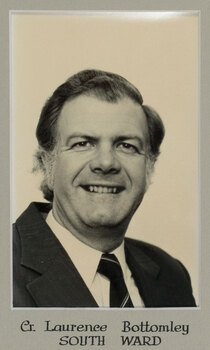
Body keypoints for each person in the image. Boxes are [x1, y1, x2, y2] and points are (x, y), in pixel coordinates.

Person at [13, 69, 196, 308]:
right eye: (83, 143)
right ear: (46, 163)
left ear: (149, 167)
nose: (106, 163)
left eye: (126, 146)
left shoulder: (172, 274)